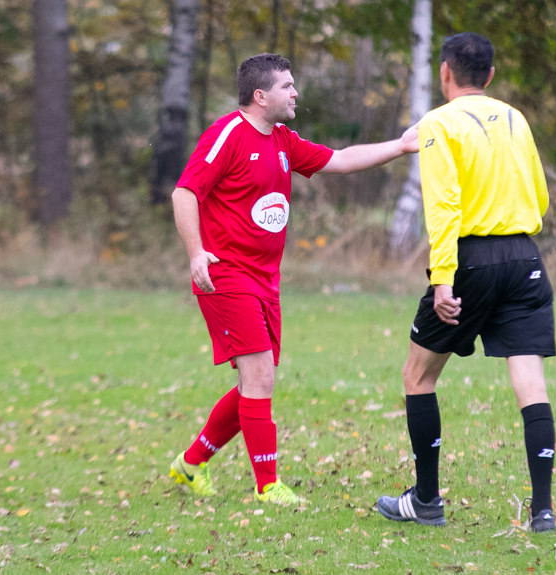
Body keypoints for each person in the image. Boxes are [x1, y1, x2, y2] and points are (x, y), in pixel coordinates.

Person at [168, 53, 418, 506]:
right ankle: (268, 487)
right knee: (260, 377)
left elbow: (341, 160)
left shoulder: (283, 140)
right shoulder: (227, 134)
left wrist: (399, 147)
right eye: (287, 86)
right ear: (260, 96)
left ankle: (190, 464)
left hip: (265, 281)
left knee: (253, 383)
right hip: (226, 274)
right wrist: (196, 254)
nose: (295, 92)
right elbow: (185, 191)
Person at [376, 33, 556, 532]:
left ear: (444, 73)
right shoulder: (516, 118)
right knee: (531, 383)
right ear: (491, 77)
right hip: (525, 257)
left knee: (418, 376)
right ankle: (542, 510)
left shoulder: (438, 123)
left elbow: (444, 207)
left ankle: (427, 501)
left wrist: (442, 279)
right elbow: (539, 199)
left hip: (471, 260)